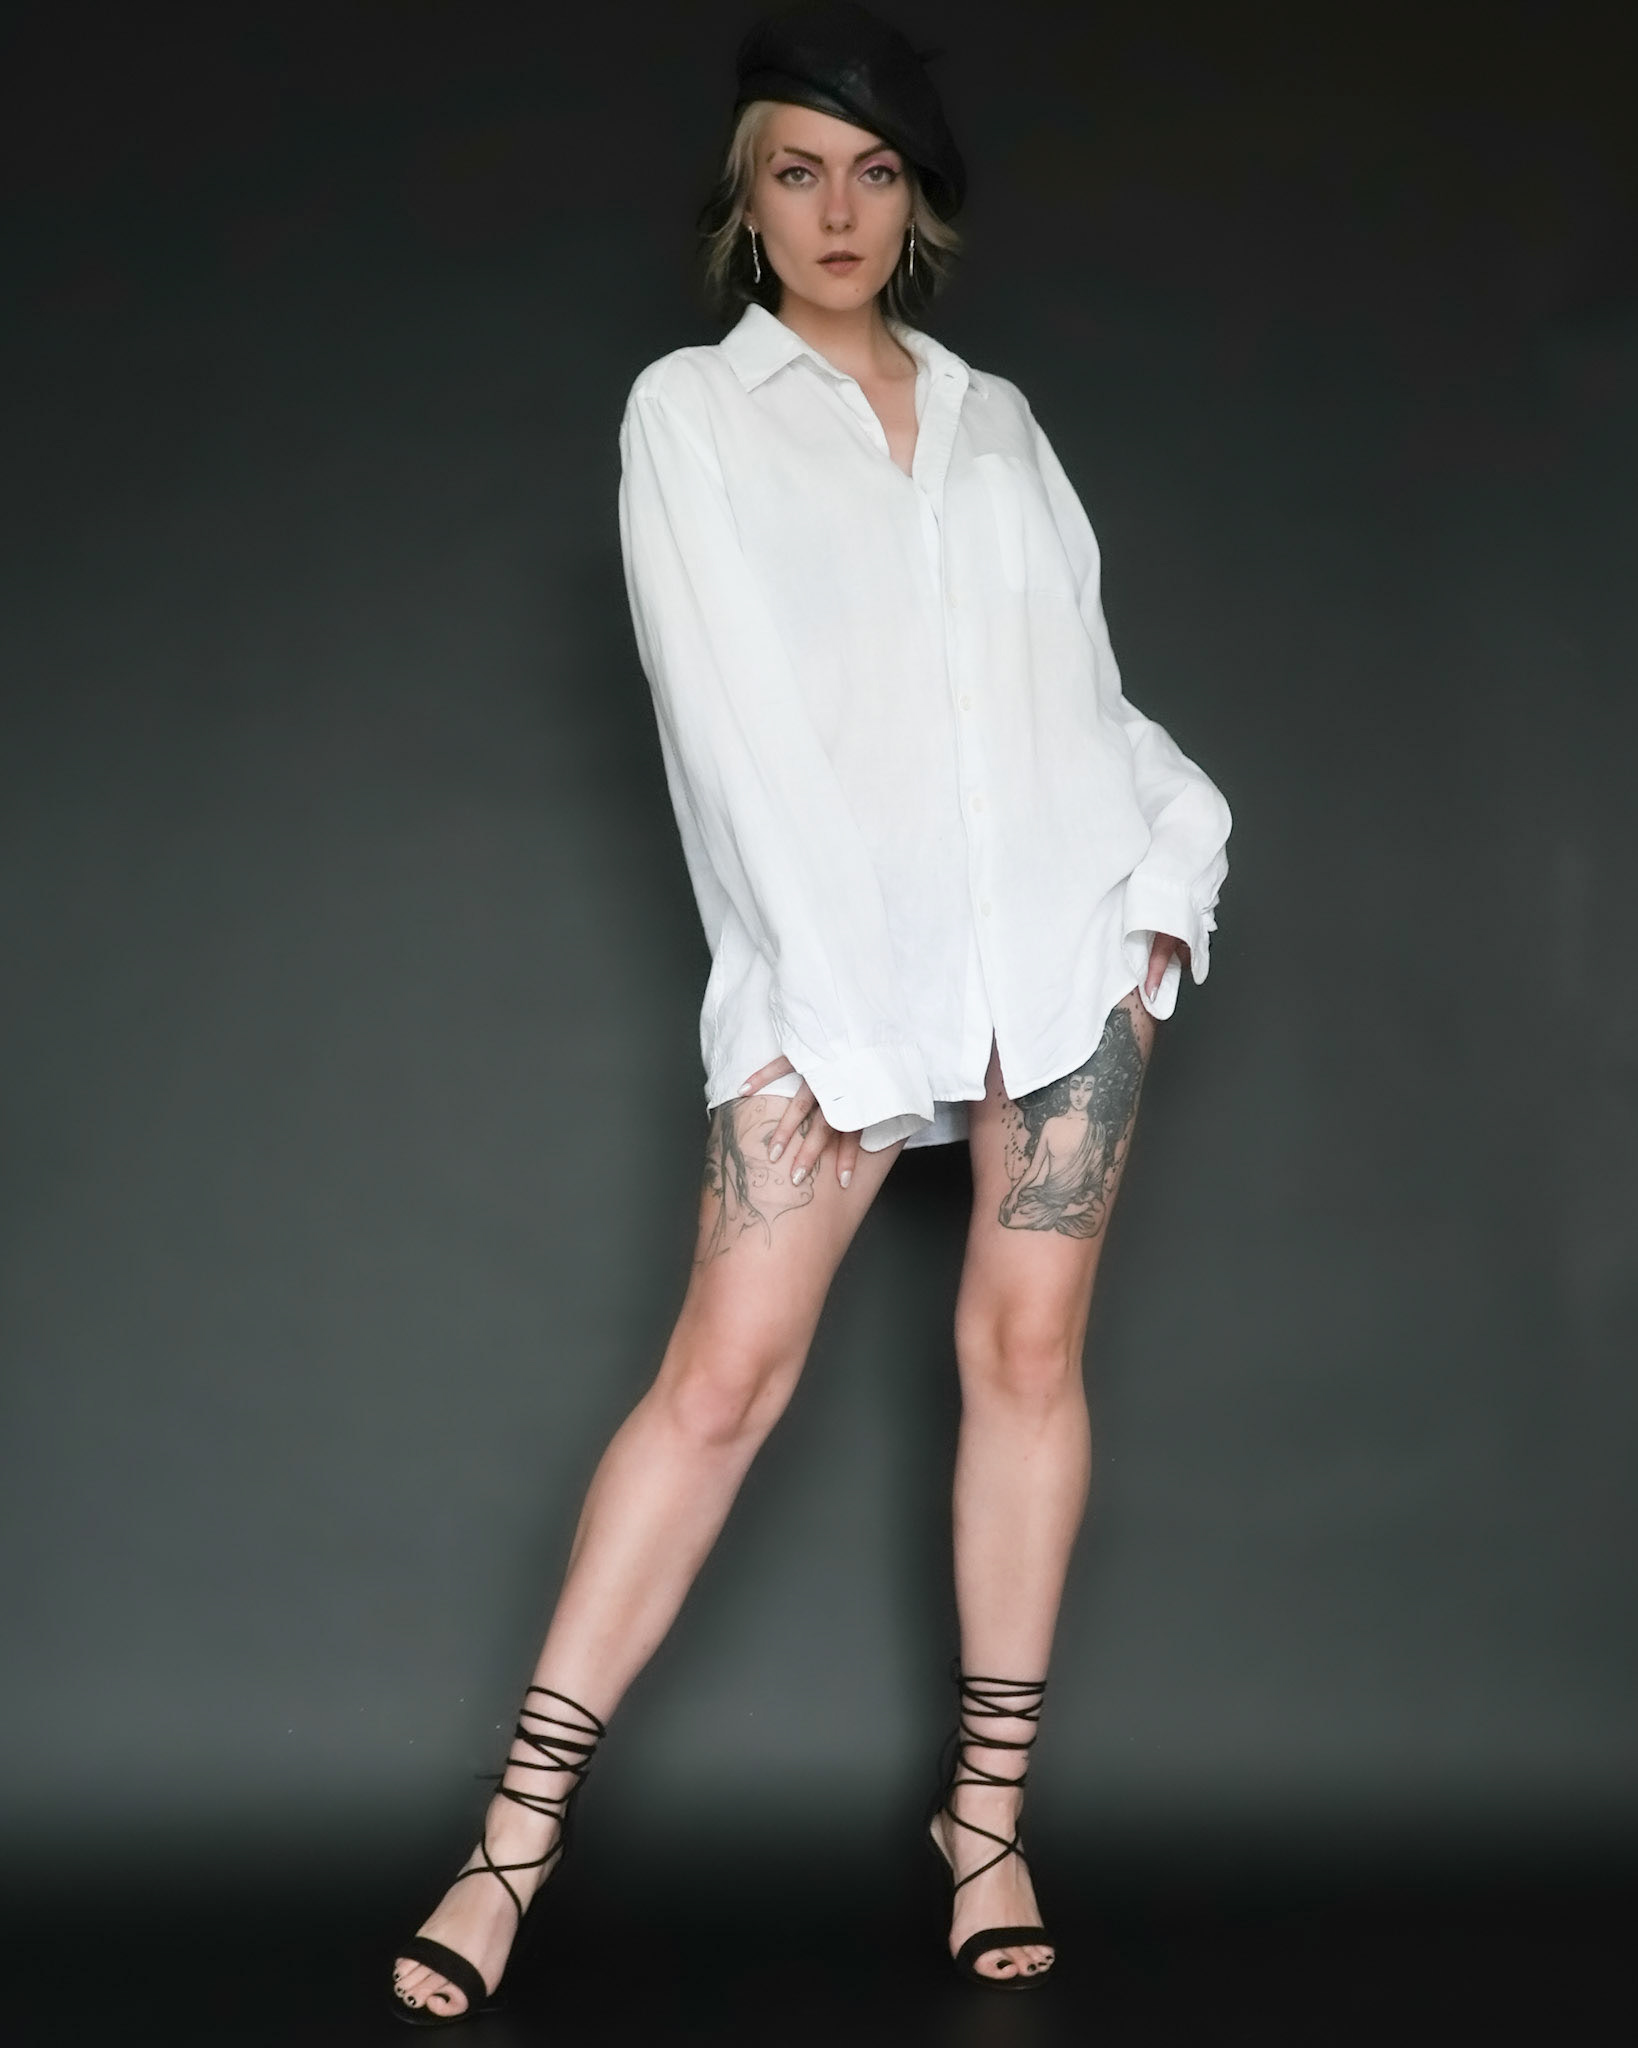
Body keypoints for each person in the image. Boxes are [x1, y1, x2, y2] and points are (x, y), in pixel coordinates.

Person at [391, 0, 1231, 2021]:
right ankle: (511, 1845)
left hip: (1059, 960)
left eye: (872, 172)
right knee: (719, 1384)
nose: (837, 210)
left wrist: (1162, 891)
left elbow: (1079, 694)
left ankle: (985, 1823)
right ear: (747, 200)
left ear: (914, 200)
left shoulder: (998, 421)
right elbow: (731, 735)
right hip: (828, 978)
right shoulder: (693, 414)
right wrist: (839, 1023)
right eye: (798, 171)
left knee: (1023, 1358)